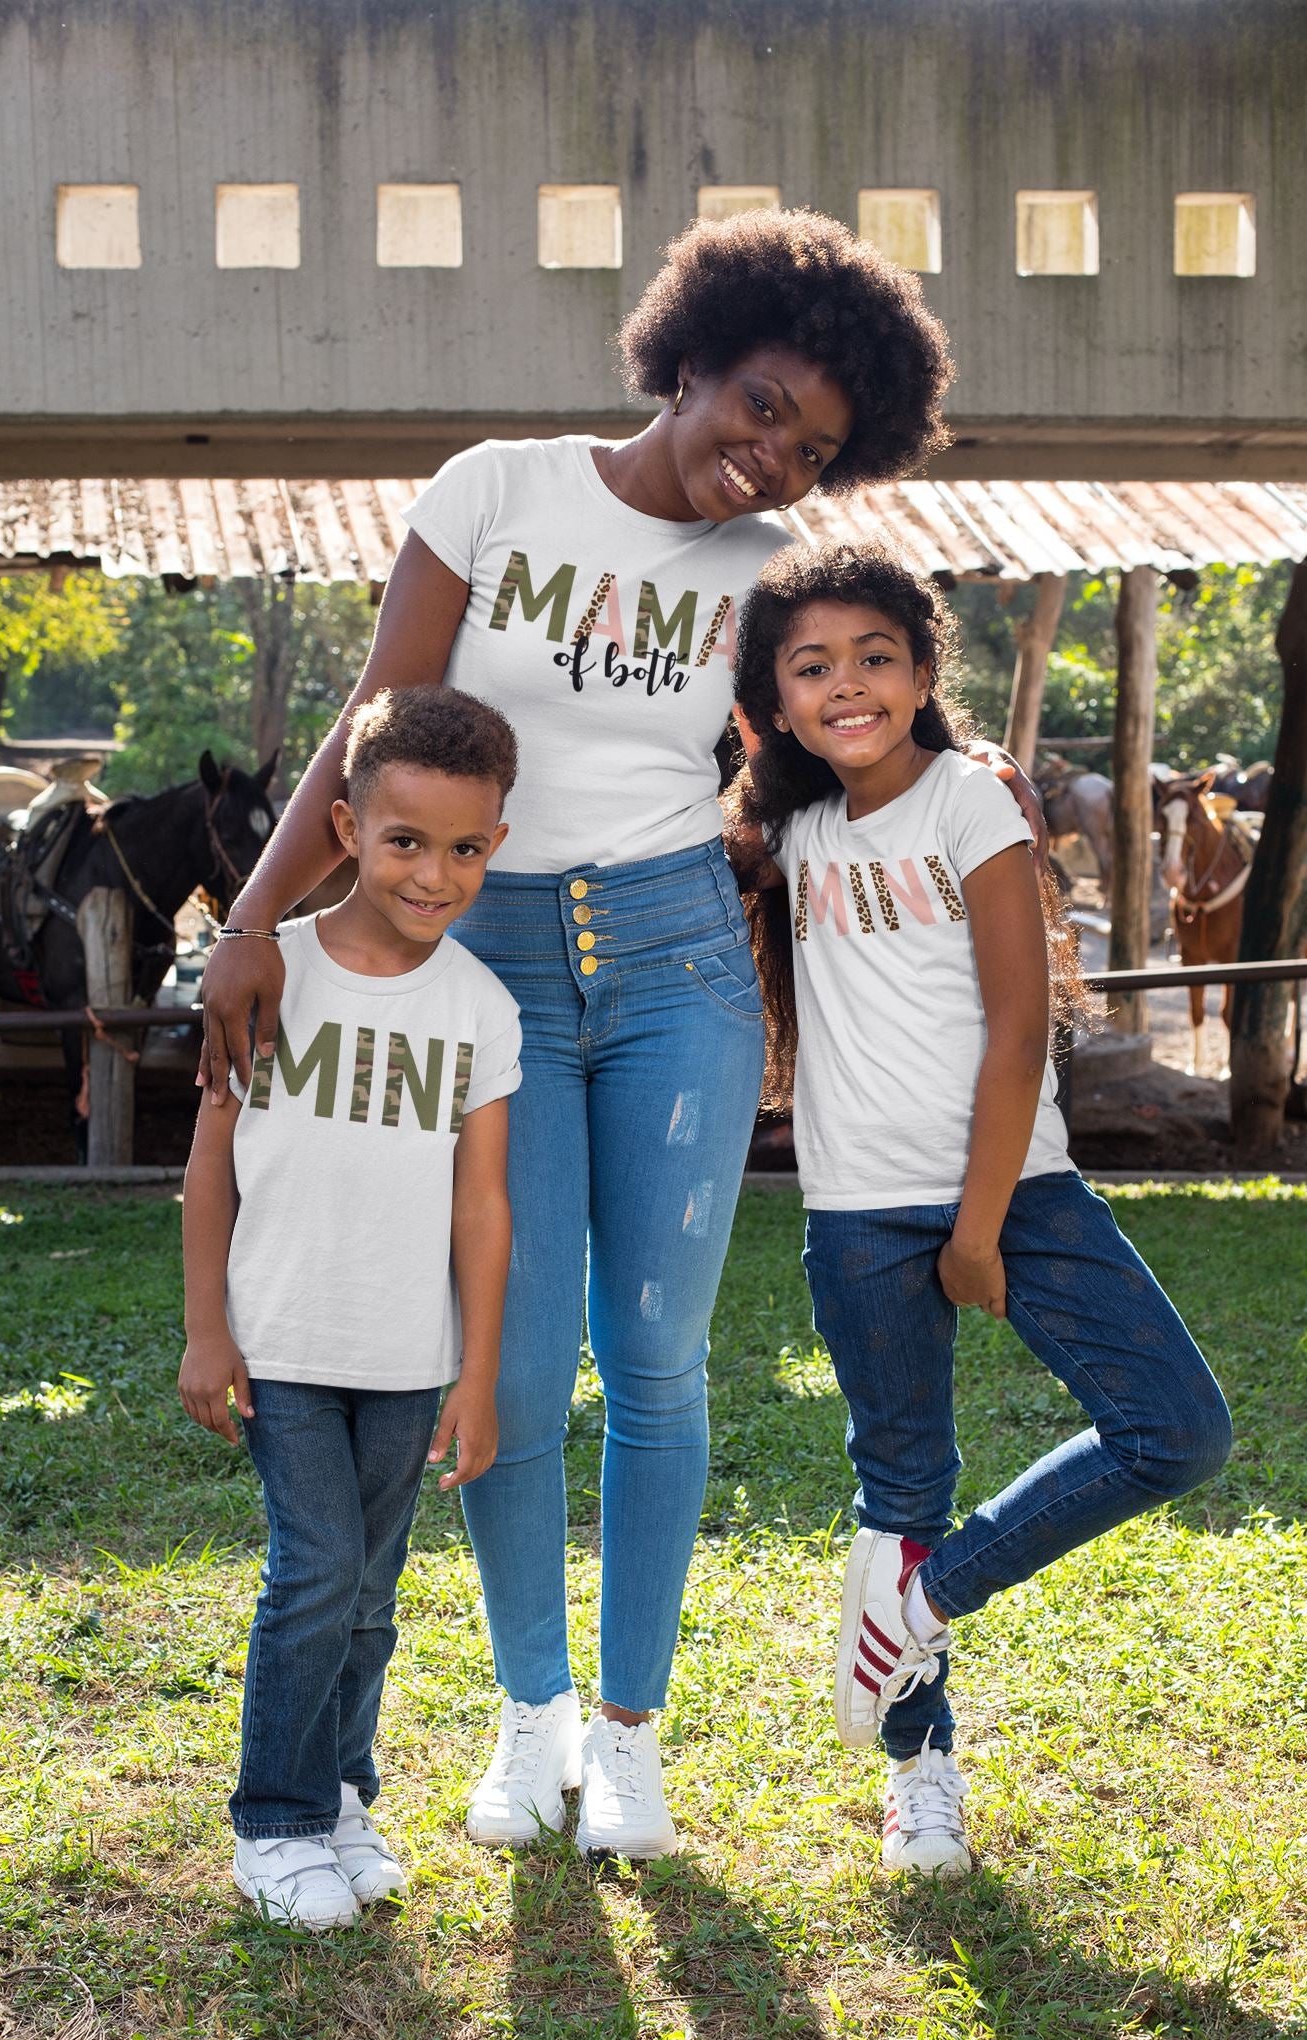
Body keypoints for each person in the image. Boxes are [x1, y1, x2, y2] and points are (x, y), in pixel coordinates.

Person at [197, 207, 1029, 1862]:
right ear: (694, 356)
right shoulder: (496, 487)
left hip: (673, 969)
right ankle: (532, 1720)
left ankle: (632, 1740)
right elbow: (375, 729)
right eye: (765, 405)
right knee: (505, 1363)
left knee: (653, 1366)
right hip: (482, 960)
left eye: (816, 447)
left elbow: (846, 739)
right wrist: (258, 928)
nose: (773, 456)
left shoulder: (767, 573)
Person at [723, 542, 1232, 1877]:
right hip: (852, 1216)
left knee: (1175, 1431)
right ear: (775, 702)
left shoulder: (971, 802)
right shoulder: (790, 831)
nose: (848, 685)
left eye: (875, 657)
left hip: (1019, 1196)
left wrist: (974, 1229)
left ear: (925, 670)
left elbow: (1020, 1037)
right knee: (901, 1481)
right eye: (812, 666)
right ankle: (920, 1771)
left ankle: (933, 1592)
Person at [178, 685, 521, 1928]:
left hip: (407, 1355)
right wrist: (206, 1328)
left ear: (496, 842)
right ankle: (272, 1823)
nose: (436, 874)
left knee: (373, 1588)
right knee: (317, 1567)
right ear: (346, 827)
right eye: (405, 841)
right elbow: (208, 1165)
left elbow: (482, 1210)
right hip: (279, 1342)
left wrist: (477, 1375)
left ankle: (338, 1794)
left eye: (467, 848)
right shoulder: (270, 974)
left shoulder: (483, 1007)